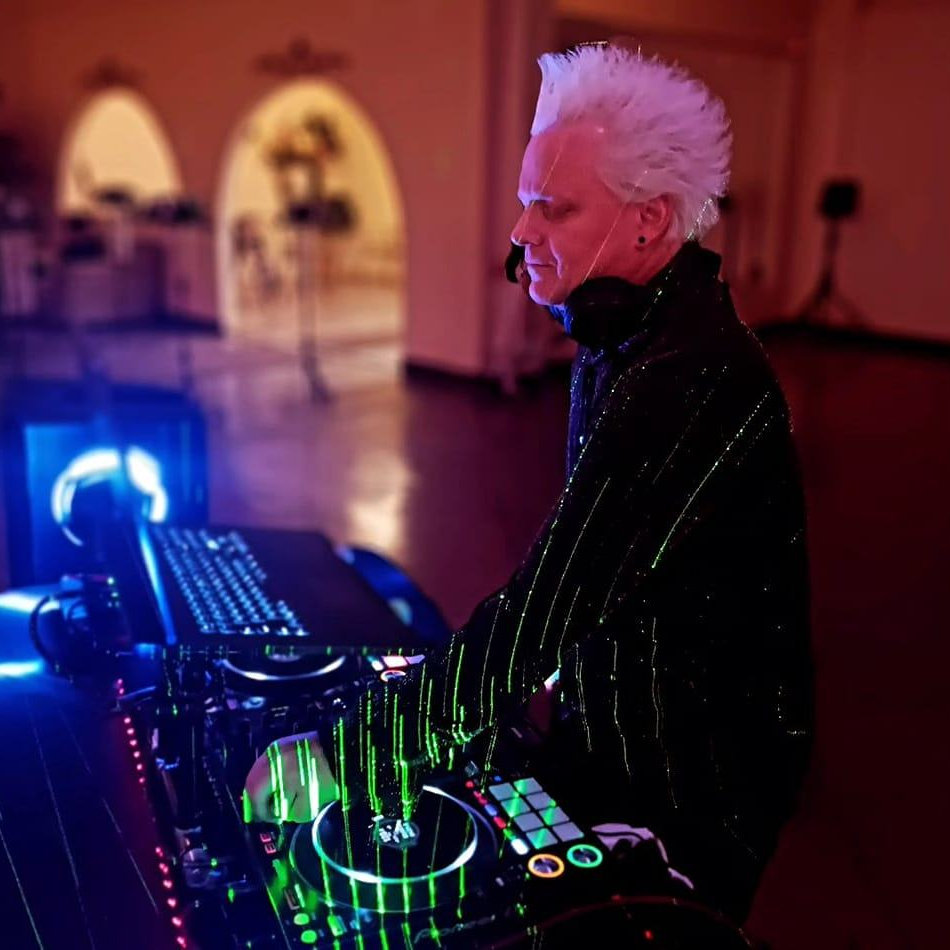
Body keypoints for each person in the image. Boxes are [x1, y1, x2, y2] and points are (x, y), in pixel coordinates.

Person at [244, 42, 813, 922]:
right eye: (525, 201)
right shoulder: (627, 338)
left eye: (555, 207)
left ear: (649, 222)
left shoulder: (690, 378)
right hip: (609, 732)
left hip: (690, 780)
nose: (520, 233)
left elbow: (552, 604)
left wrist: (349, 757)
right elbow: (601, 583)